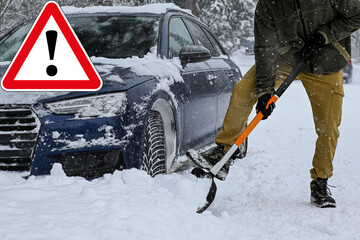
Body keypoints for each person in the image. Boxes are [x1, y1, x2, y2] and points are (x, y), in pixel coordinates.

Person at [188, 0, 360, 208]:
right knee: (243, 91)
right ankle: (224, 153)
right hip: (287, 57)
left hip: (327, 61)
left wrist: (324, 36)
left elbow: (356, 14)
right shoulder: (269, 5)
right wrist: (264, 91)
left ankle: (320, 182)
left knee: (328, 124)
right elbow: (265, 47)